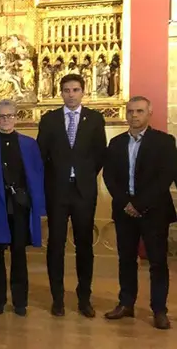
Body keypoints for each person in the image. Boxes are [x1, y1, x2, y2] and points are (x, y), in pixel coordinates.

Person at [102, 96, 176, 330]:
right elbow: (109, 176)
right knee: (126, 260)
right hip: (124, 211)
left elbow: (165, 176)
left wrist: (140, 204)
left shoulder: (164, 141)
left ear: (149, 112)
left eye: (140, 111)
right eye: (131, 111)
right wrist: (126, 203)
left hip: (154, 211)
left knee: (157, 262)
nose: (134, 115)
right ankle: (126, 304)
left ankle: (159, 310)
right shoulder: (116, 143)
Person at [36, 73, 106, 317]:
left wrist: (83, 174)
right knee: (55, 244)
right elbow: (41, 155)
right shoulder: (49, 119)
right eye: (66, 90)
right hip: (57, 191)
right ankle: (57, 299)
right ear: (61, 93)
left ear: (83, 91)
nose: (71, 94)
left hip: (83, 191)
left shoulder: (94, 119)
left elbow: (100, 154)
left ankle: (84, 298)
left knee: (84, 244)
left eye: (75, 90)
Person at [0, 99, 46, 316]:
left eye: (10, 115)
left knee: (19, 254)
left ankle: (20, 302)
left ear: (16, 117)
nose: (6, 120)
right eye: (1, 116)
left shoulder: (29, 144)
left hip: (21, 206)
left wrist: (39, 207)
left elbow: (38, 176)